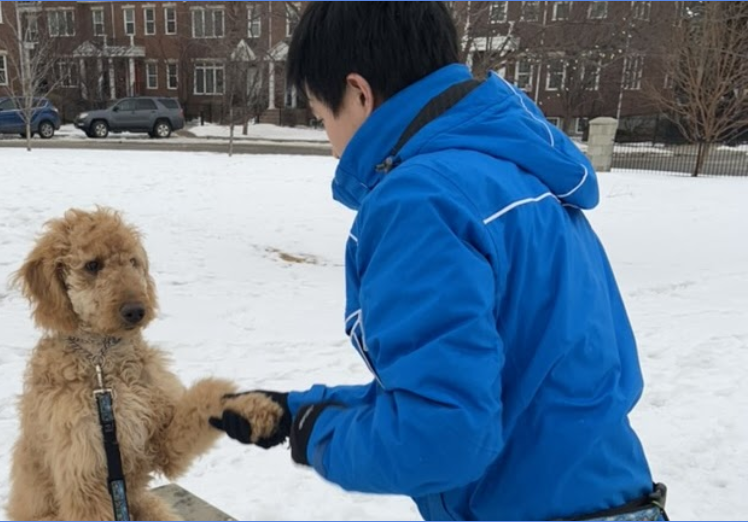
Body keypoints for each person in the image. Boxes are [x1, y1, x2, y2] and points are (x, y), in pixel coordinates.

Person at [208, 3, 666, 520]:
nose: (333, 148)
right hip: (617, 499)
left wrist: (318, 434)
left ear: (359, 94)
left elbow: (443, 437)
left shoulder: (421, 200)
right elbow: (510, 385)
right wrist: (297, 414)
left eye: (322, 118)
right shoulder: (525, 175)